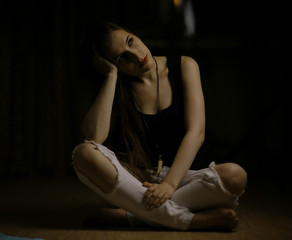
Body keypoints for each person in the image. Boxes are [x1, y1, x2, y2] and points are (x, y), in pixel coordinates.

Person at [72, 21, 247, 231]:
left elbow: (196, 132)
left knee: (236, 176)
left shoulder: (185, 65)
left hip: (182, 178)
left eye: (131, 42)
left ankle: (131, 216)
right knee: (83, 153)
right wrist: (111, 76)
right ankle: (187, 220)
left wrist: (169, 185)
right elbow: (94, 137)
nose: (136, 56)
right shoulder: (116, 85)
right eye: (122, 58)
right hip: (137, 182)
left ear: (134, 34)